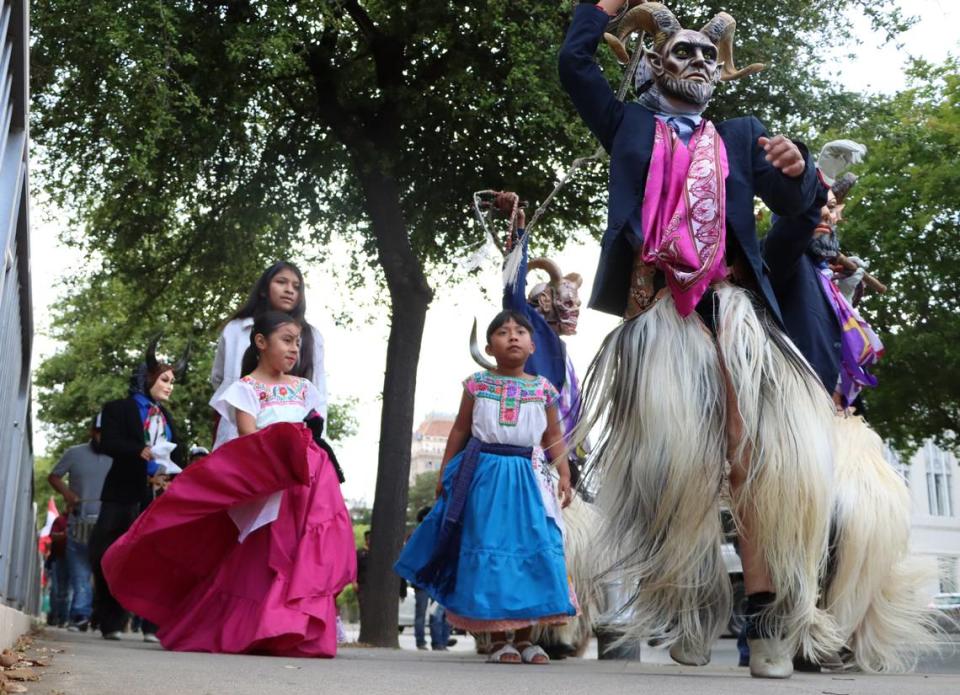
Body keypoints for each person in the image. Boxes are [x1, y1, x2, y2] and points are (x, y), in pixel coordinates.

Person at [559, 1, 839, 678]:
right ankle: (689, 602)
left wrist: (800, 170)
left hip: (731, 311)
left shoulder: (741, 136)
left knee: (751, 456)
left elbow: (801, 207)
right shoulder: (628, 123)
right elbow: (574, 66)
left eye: (708, 57)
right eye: (681, 52)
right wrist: (600, 10)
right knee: (674, 462)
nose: (696, 64)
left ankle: (769, 619)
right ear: (653, 64)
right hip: (657, 312)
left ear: (722, 74)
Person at [102, 311, 355, 657]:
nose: (294, 348)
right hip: (267, 484)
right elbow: (249, 436)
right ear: (261, 342)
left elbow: (314, 433)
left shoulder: (305, 389)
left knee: (303, 555)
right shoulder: (244, 388)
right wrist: (281, 452)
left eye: (298, 342)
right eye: (286, 340)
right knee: (263, 557)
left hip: (309, 486)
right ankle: (259, 629)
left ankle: (296, 630)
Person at [395, 310, 576, 665]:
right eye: (502, 331)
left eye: (520, 331)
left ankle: (525, 640)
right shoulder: (476, 384)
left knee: (532, 551)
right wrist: (444, 472)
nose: (512, 336)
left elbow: (554, 436)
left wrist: (565, 475)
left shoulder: (543, 389)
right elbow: (460, 431)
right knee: (488, 552)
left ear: (532, 345)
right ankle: (496, 641)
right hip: (484, 477)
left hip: (530, 477)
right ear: (490, 347)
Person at [89, 338, 187, 641]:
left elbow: (178, 452)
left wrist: (173, 470)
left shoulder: (168, 417)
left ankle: (152, 625)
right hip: (121, 492)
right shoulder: (118, 408)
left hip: (156, 495)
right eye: (165, 380)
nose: (170, 386)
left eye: (172, 381)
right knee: (107, 553)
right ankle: (110, 620)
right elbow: (105, 443)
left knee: (153, 558)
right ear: (148, 379)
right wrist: (138, 450)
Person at [210, 261, 327, 449]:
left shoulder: (312, 337)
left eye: (296, 287)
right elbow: (219, 379)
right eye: (281, 282)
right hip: (237, 442)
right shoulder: (236, 329)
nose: (289, 290)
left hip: (296, 451)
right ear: (264, 289)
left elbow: (319, 395)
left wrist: (319, 446)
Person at [47, 415, 112, 631]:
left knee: (105, 573)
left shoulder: (120, 456)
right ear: (93, 432)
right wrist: (67, 494)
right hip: (79, 522)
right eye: (100, 431)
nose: (104, 436)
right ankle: (80, 616)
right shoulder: (74, 453)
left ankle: (104, 617)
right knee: (80, 573)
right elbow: (54, 476)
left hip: (109, 523)